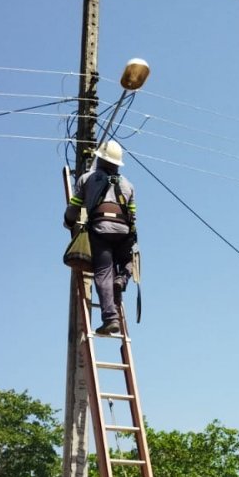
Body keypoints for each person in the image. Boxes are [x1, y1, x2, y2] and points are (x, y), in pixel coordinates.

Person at [64, 139, 137, 335]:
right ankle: (121, 279)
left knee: (103, 272)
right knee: (129, 262)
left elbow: (74, 210)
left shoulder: (87, 179)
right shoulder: (128, 185)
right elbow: (133, 216)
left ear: (100, 159)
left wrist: (68, 222)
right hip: (124, 232)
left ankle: (110, 319)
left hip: (100, 229)